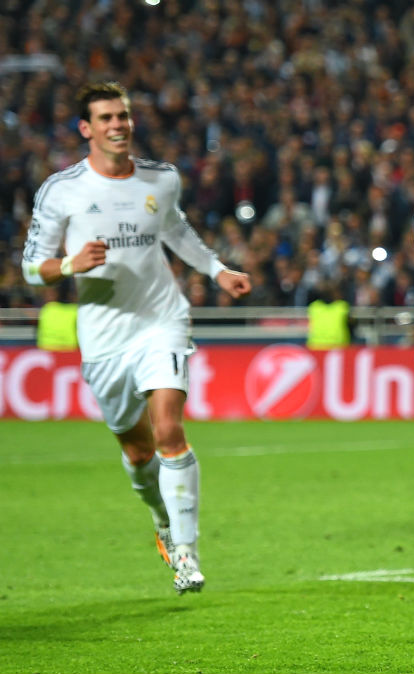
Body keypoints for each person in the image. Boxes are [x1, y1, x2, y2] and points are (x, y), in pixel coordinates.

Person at [21, 82, 252, 595]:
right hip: (104, 336)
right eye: (105, 118)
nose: (117, 125)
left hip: (161, 319)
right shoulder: (62, 191)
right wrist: (68, 265)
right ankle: (161, 519)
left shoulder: (161, 178)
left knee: (169, 429)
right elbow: (30, 269)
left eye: (122, 116)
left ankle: (188, 552)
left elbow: (176, 231)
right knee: (138, 450)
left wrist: (216, 271)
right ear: (86, 128)